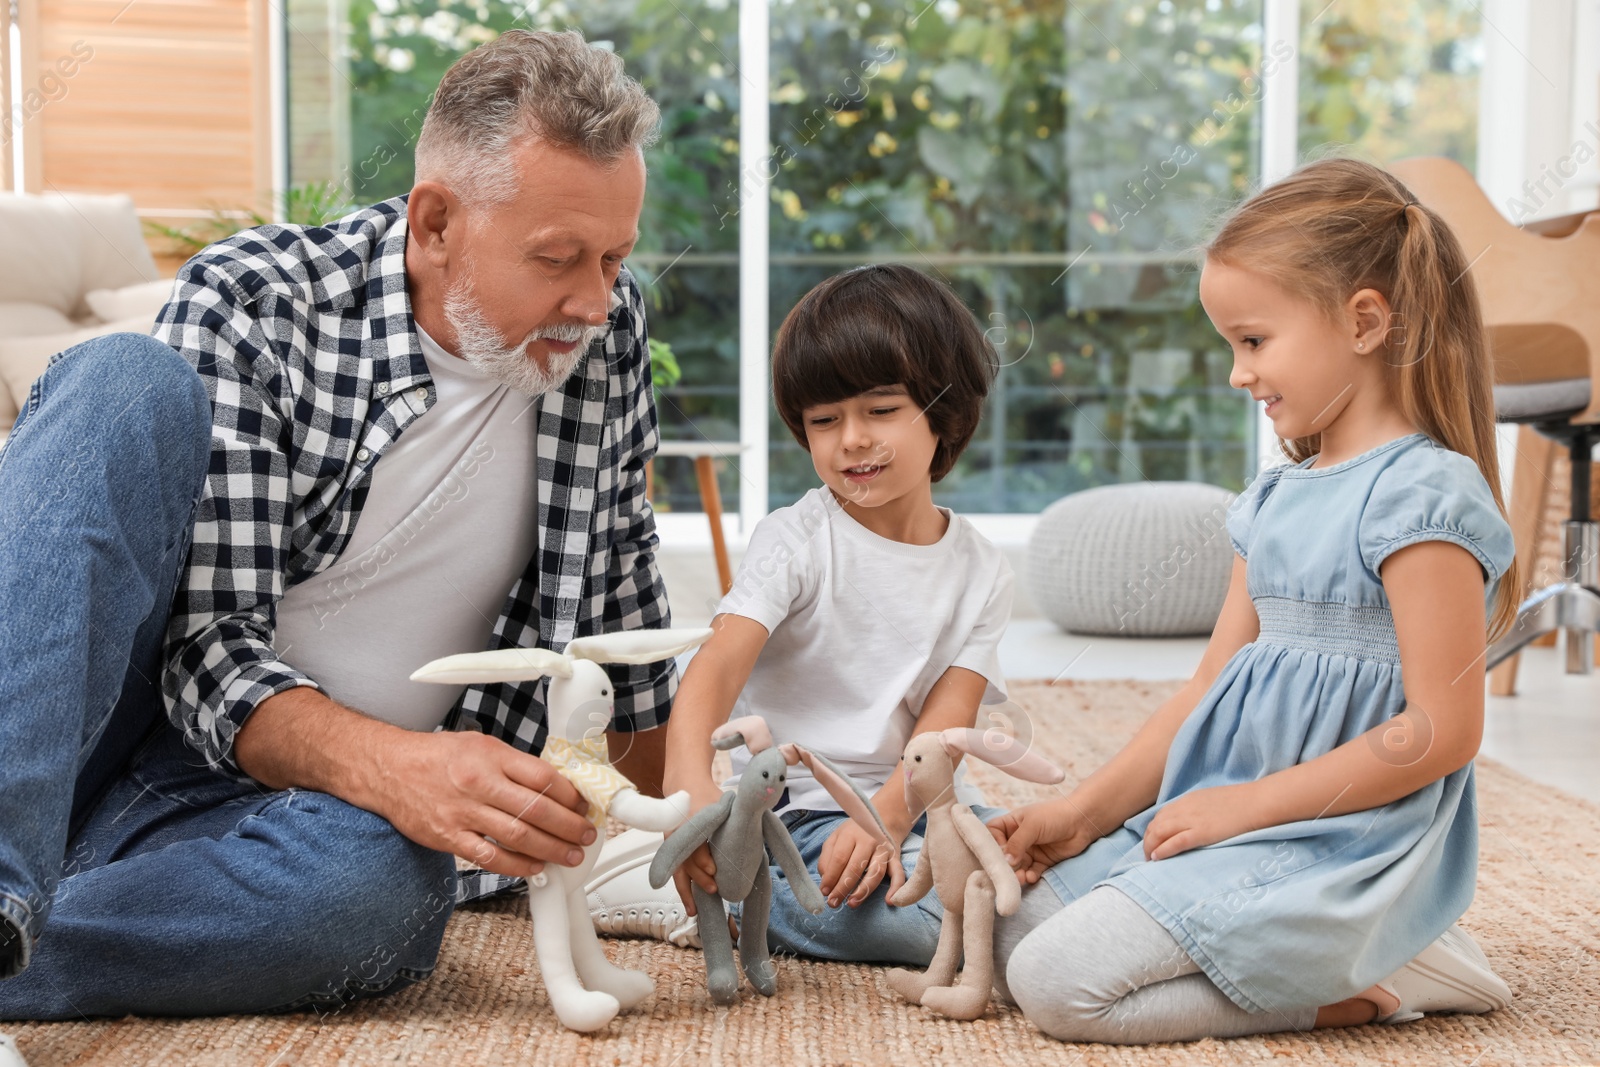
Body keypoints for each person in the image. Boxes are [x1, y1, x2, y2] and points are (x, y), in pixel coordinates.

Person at [0, 29, 677, 1022]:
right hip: (123, 724)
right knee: (123, 382)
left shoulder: (606, 335)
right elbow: (207, 650)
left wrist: (680, 826)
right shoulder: (259, 299)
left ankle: (23, 946)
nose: (595, 296)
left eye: (616, 255)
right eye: (557, 258)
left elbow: (622, 600)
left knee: (390, 896)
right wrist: (401, 764)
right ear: (437, 221)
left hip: (272, 821)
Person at [988, 157, 1519, 1043]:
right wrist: (1081, 815)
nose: (1239, 374)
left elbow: (1441, 729)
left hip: (1338, 843)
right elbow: (1206, 687)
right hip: (1235, 816)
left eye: (1254, 340)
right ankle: (1313, 951)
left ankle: (1392, 974)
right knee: (1015, 926)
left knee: (1056, 984)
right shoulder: (1274, 497)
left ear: (1363, 322)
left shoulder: (1423, 499)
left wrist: (1244, 807)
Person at [585, 264, 1014, 965]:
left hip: (918, 808)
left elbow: (943, 734)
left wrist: (886, 818)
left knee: (1032, 865)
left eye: (880, 410)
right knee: (937, 926)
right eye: (824, 420)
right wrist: (691, 787)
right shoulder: (797, 541)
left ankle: (748, 890)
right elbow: (714, 671)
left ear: (946, 409)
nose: (851, 439)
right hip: (796, 819)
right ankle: (696, 890)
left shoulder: (984, 570)